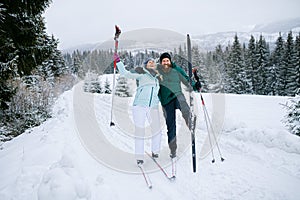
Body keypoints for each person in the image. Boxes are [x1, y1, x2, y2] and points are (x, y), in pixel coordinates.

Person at [114, 53, 163, 166]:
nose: (152, 63)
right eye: (149, 62)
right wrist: (118, 62)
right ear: (145, 65)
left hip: (153, 107)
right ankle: (139, 157)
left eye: (153, 62)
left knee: (157, 131)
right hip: (140, 106)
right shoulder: (141, 74)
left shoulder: (158, 77)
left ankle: (155, 152)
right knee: (140, 131)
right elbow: (125, 73)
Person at [157, 52, 201, 158]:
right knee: (171, 126)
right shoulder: (158, 72)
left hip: (177, 95)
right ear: (161, 62)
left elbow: (187, 81)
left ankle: (190, 122)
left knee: (183, 105)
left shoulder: (177, 70)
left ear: (170, 61)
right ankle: (173, 149)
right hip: (166, 101)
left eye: (167, 60)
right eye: (164, 61)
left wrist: (196, 85)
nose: (166, 62)